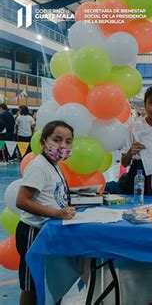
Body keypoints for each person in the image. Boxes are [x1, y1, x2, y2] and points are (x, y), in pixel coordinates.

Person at [15, 120, 76, 305]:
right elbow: (22, 200)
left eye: (68, 141)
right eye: (57, 140)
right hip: (32, 232)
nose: (63, 145)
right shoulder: (39, 166)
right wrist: (57, 213)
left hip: (46, 231)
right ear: (43, 142)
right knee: (30, 283)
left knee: (43, 280)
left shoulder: (54, 164)